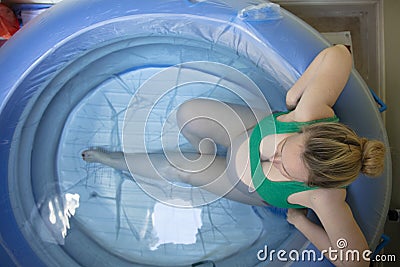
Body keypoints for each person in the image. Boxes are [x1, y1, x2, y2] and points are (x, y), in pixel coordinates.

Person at [82, 45, 385, 266]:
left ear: (314, 184)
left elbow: (354, 262)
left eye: (287, 171)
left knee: (179, 169)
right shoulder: (311, 111)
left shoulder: (325, 198)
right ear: (307, 130)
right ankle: (204, 148)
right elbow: (340, 54)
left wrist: (301, 223)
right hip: (247, 131)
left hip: (242, 183)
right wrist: (295, 94)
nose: (275, 160)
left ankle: (113, 160)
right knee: (186, 113)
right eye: (282, 149)